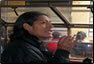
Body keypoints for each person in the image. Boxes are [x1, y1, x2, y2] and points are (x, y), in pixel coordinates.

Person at [1, 11, 77, 63]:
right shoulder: (21, 50)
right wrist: (63, 52)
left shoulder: (31, 46)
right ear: (27, 27)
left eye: (50, 23)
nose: (51, 26)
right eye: (44, 23)